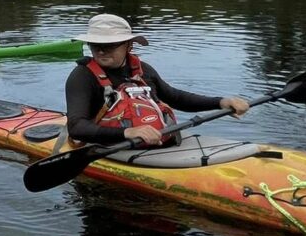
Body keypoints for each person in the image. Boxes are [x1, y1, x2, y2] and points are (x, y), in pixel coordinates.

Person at [65, 14, 249, 147]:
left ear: (129, 45)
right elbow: (76, 127)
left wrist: (221, 102)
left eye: (110, 45)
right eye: (96, 45)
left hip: (156, 140)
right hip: (111, 145)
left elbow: (174, 97)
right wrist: (127, 132)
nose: (101, 51)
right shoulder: (82, 76)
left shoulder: (142, 69)